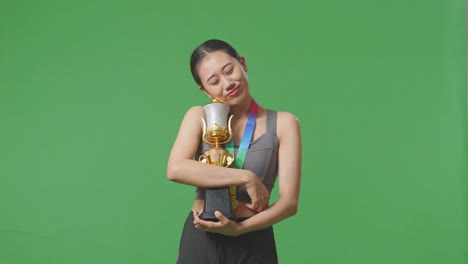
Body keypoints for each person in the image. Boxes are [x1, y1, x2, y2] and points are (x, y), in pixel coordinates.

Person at [167, 39, 302, 264]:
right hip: (201, 240)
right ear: (204, 89)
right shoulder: (198, 116)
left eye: (229, 70)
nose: (227, 83)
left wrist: (240, 229)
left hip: (254, 240)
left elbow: (289, 203)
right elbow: (176, 168)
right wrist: (246, 177)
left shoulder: (284, 123)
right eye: (214, 81)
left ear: (243, 63)